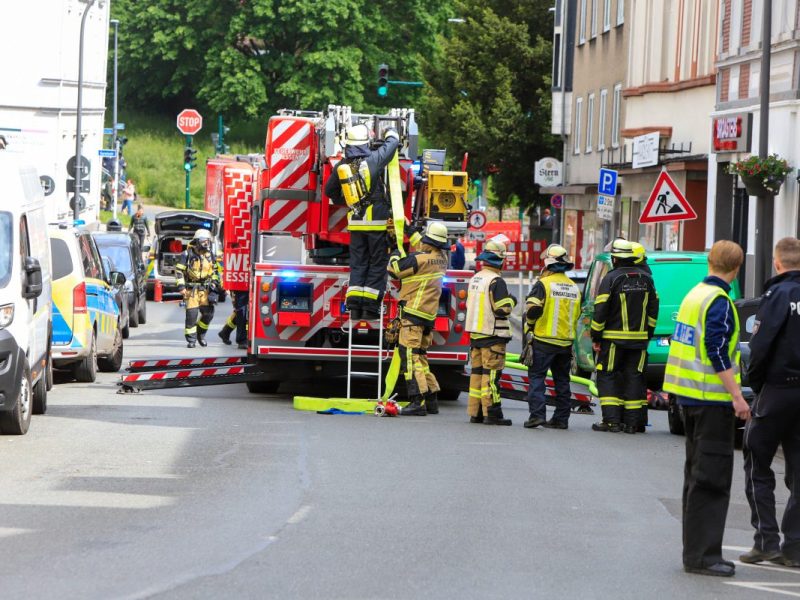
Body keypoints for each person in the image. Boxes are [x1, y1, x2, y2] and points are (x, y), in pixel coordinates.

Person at [663, 240, 750, 578]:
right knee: (711, 481)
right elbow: (715, 350)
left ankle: (695, 552)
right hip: (712, 402)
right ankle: (703, 556)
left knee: (696, 478)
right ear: (736, 268)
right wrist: (737, 396)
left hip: (689, 399)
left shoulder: (694, 295)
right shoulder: (718, 301)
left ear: (711, 262)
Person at [740, 237, 800, 567]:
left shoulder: (776, 295)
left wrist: (756, 387)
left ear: (777, 263)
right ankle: (795, 546)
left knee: (757, 461)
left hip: (777, 391)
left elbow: (759, 347)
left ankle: (767, 541)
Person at [325, 124, 400, 321]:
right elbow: (392, 146)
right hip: (376, 224)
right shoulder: (373, 160)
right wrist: (391, 132)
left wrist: (349, 201)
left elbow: (329, 192)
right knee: (377, 263)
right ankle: (370, 309)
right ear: (366, 143)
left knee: (358, 264)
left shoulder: (341, 166)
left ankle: (355, 307)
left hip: (356, 224)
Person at [591, 238, 659, 434]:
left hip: (613, 341)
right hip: (638, 342)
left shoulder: (611, 278)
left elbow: (601, 310)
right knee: (635, 378)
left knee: (608, 376)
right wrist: (647, 334)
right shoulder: (647, 280)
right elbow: (653, 311)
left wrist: (596, 336)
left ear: (615, 259)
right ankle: (631, 423)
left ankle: (611, 421)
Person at [386, 222, 450, 416]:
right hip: (427, 316)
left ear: (430, 242)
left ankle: (417, 401)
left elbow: (394, 269)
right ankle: (431, 399)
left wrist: (395, 248)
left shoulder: (418, 260)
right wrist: (408, 229)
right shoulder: (441, 258)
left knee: (410, 358)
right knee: (421, 357)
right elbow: (422, 245)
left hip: (413, 315)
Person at [523, 244, 581, 430]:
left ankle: (537, 416)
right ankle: (561, 419)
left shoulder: (544, 284)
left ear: (548, 263)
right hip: (565, 343)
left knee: (537, 378)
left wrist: (530, 326)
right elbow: (577, 314)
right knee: (562, 381)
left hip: (544, 341)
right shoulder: (573, 288)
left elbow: (532, 309)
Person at [465, 237, 517, 425]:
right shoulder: (496, 281)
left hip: (476, 336)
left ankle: (476, 412)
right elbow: (502, 309)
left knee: (477, 376)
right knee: (491, 377)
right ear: (500, 260)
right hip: (493, 336)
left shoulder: (476, 278)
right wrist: (512, 300)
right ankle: (492, 414)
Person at [176, 229, 220, 348]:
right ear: (198, 241)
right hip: (192, 290)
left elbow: (215, 270)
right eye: (205, 242)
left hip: (206, 289)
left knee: (208, 314)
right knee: (191, 315)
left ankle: (201, 334)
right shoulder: (187, 254)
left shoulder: (210, 255)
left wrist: (215, 283)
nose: (207, 244)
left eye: (208, 242)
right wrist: (181, 287)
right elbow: (179, 270)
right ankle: (191, 340)